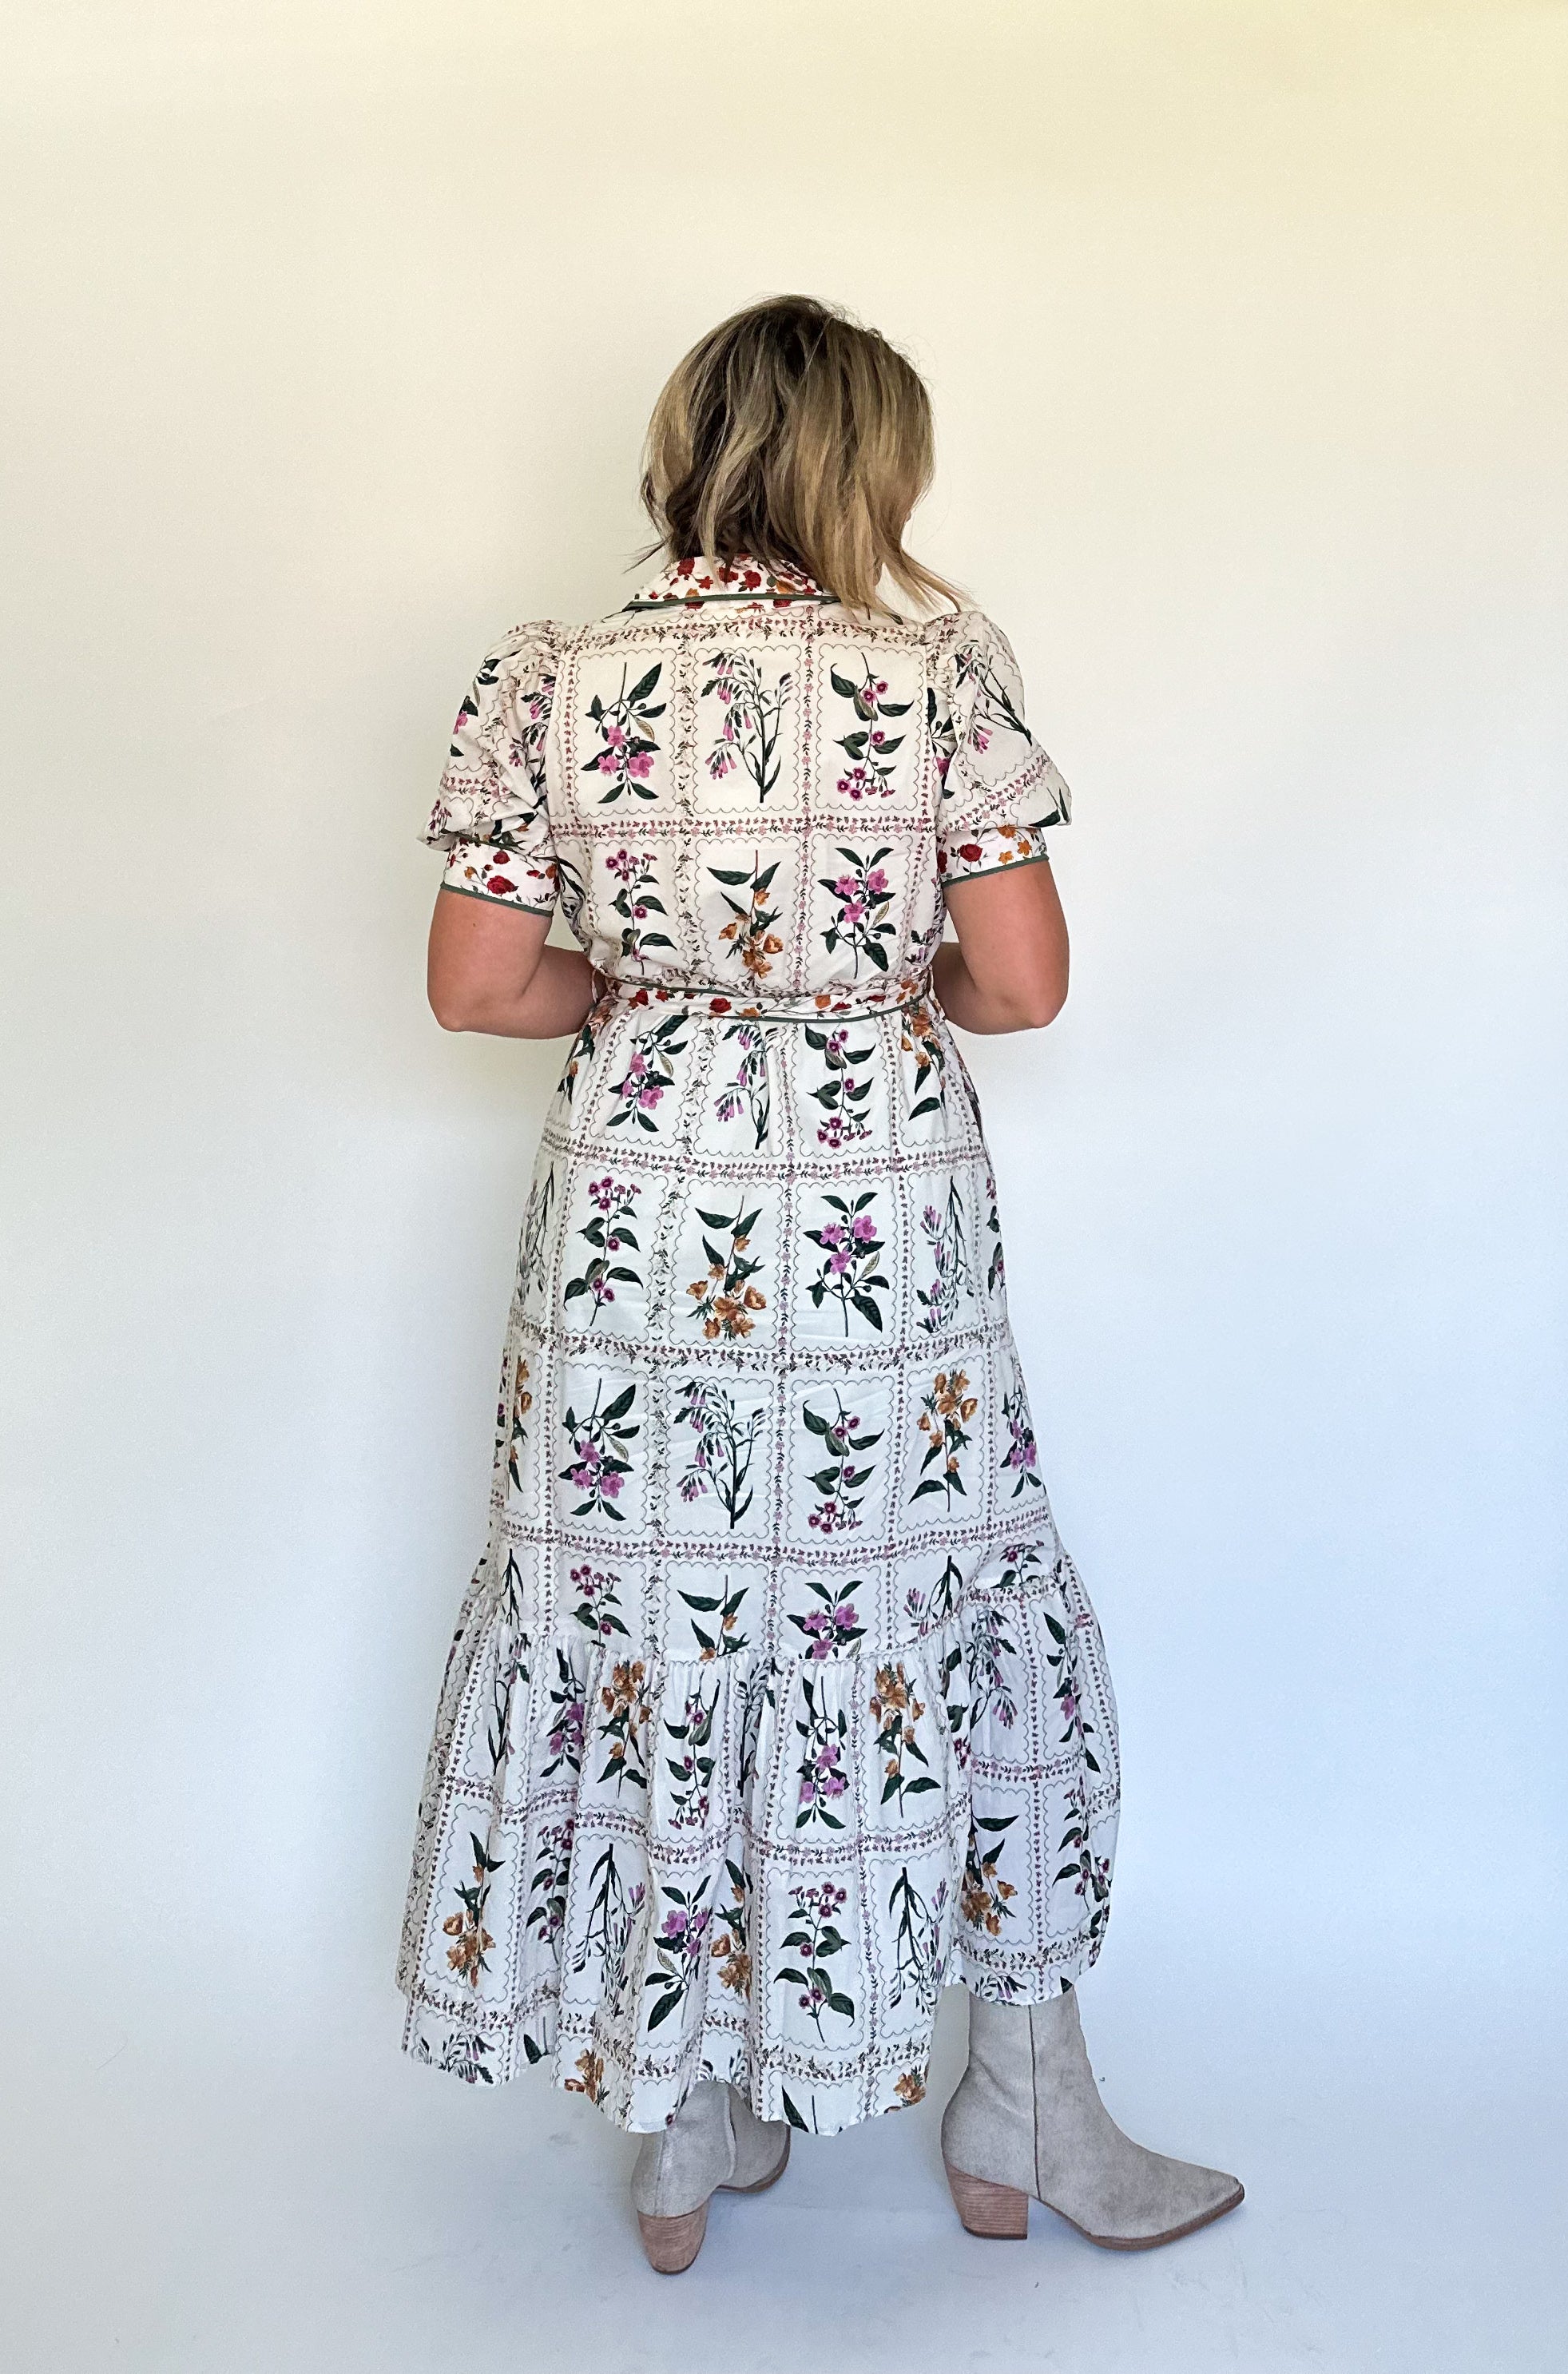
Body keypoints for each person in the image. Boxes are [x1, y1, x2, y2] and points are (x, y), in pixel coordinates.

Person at [396, 295, 1244, 2272]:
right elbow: (1021, 983)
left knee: (651, 1623)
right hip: (870, 1232)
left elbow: (476, 985)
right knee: (931, 1601)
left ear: (688, 446)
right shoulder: (931, 670)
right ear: (872, 468)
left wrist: (654, 991)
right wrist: (865, 988)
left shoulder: (551, 676)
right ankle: (1022, 2107)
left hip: (628, 1228)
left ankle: (682, 2126)